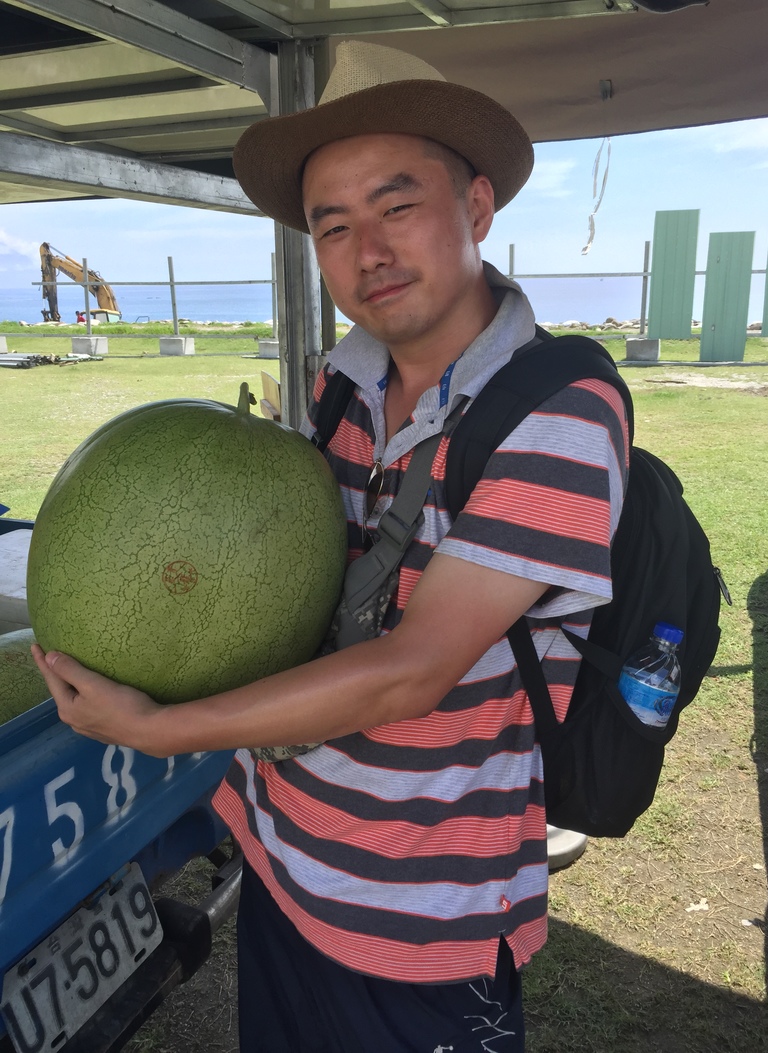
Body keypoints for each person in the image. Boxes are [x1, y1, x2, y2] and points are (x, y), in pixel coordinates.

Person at [33, 41, 629, 1053]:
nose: (369, 251)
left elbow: (411, 670)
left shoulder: (559, 411)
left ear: (476, 209)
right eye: (333, 225)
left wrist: (164, 728)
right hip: (279, 859)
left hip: (417, 914)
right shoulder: (341, 387)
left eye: (397, 207)